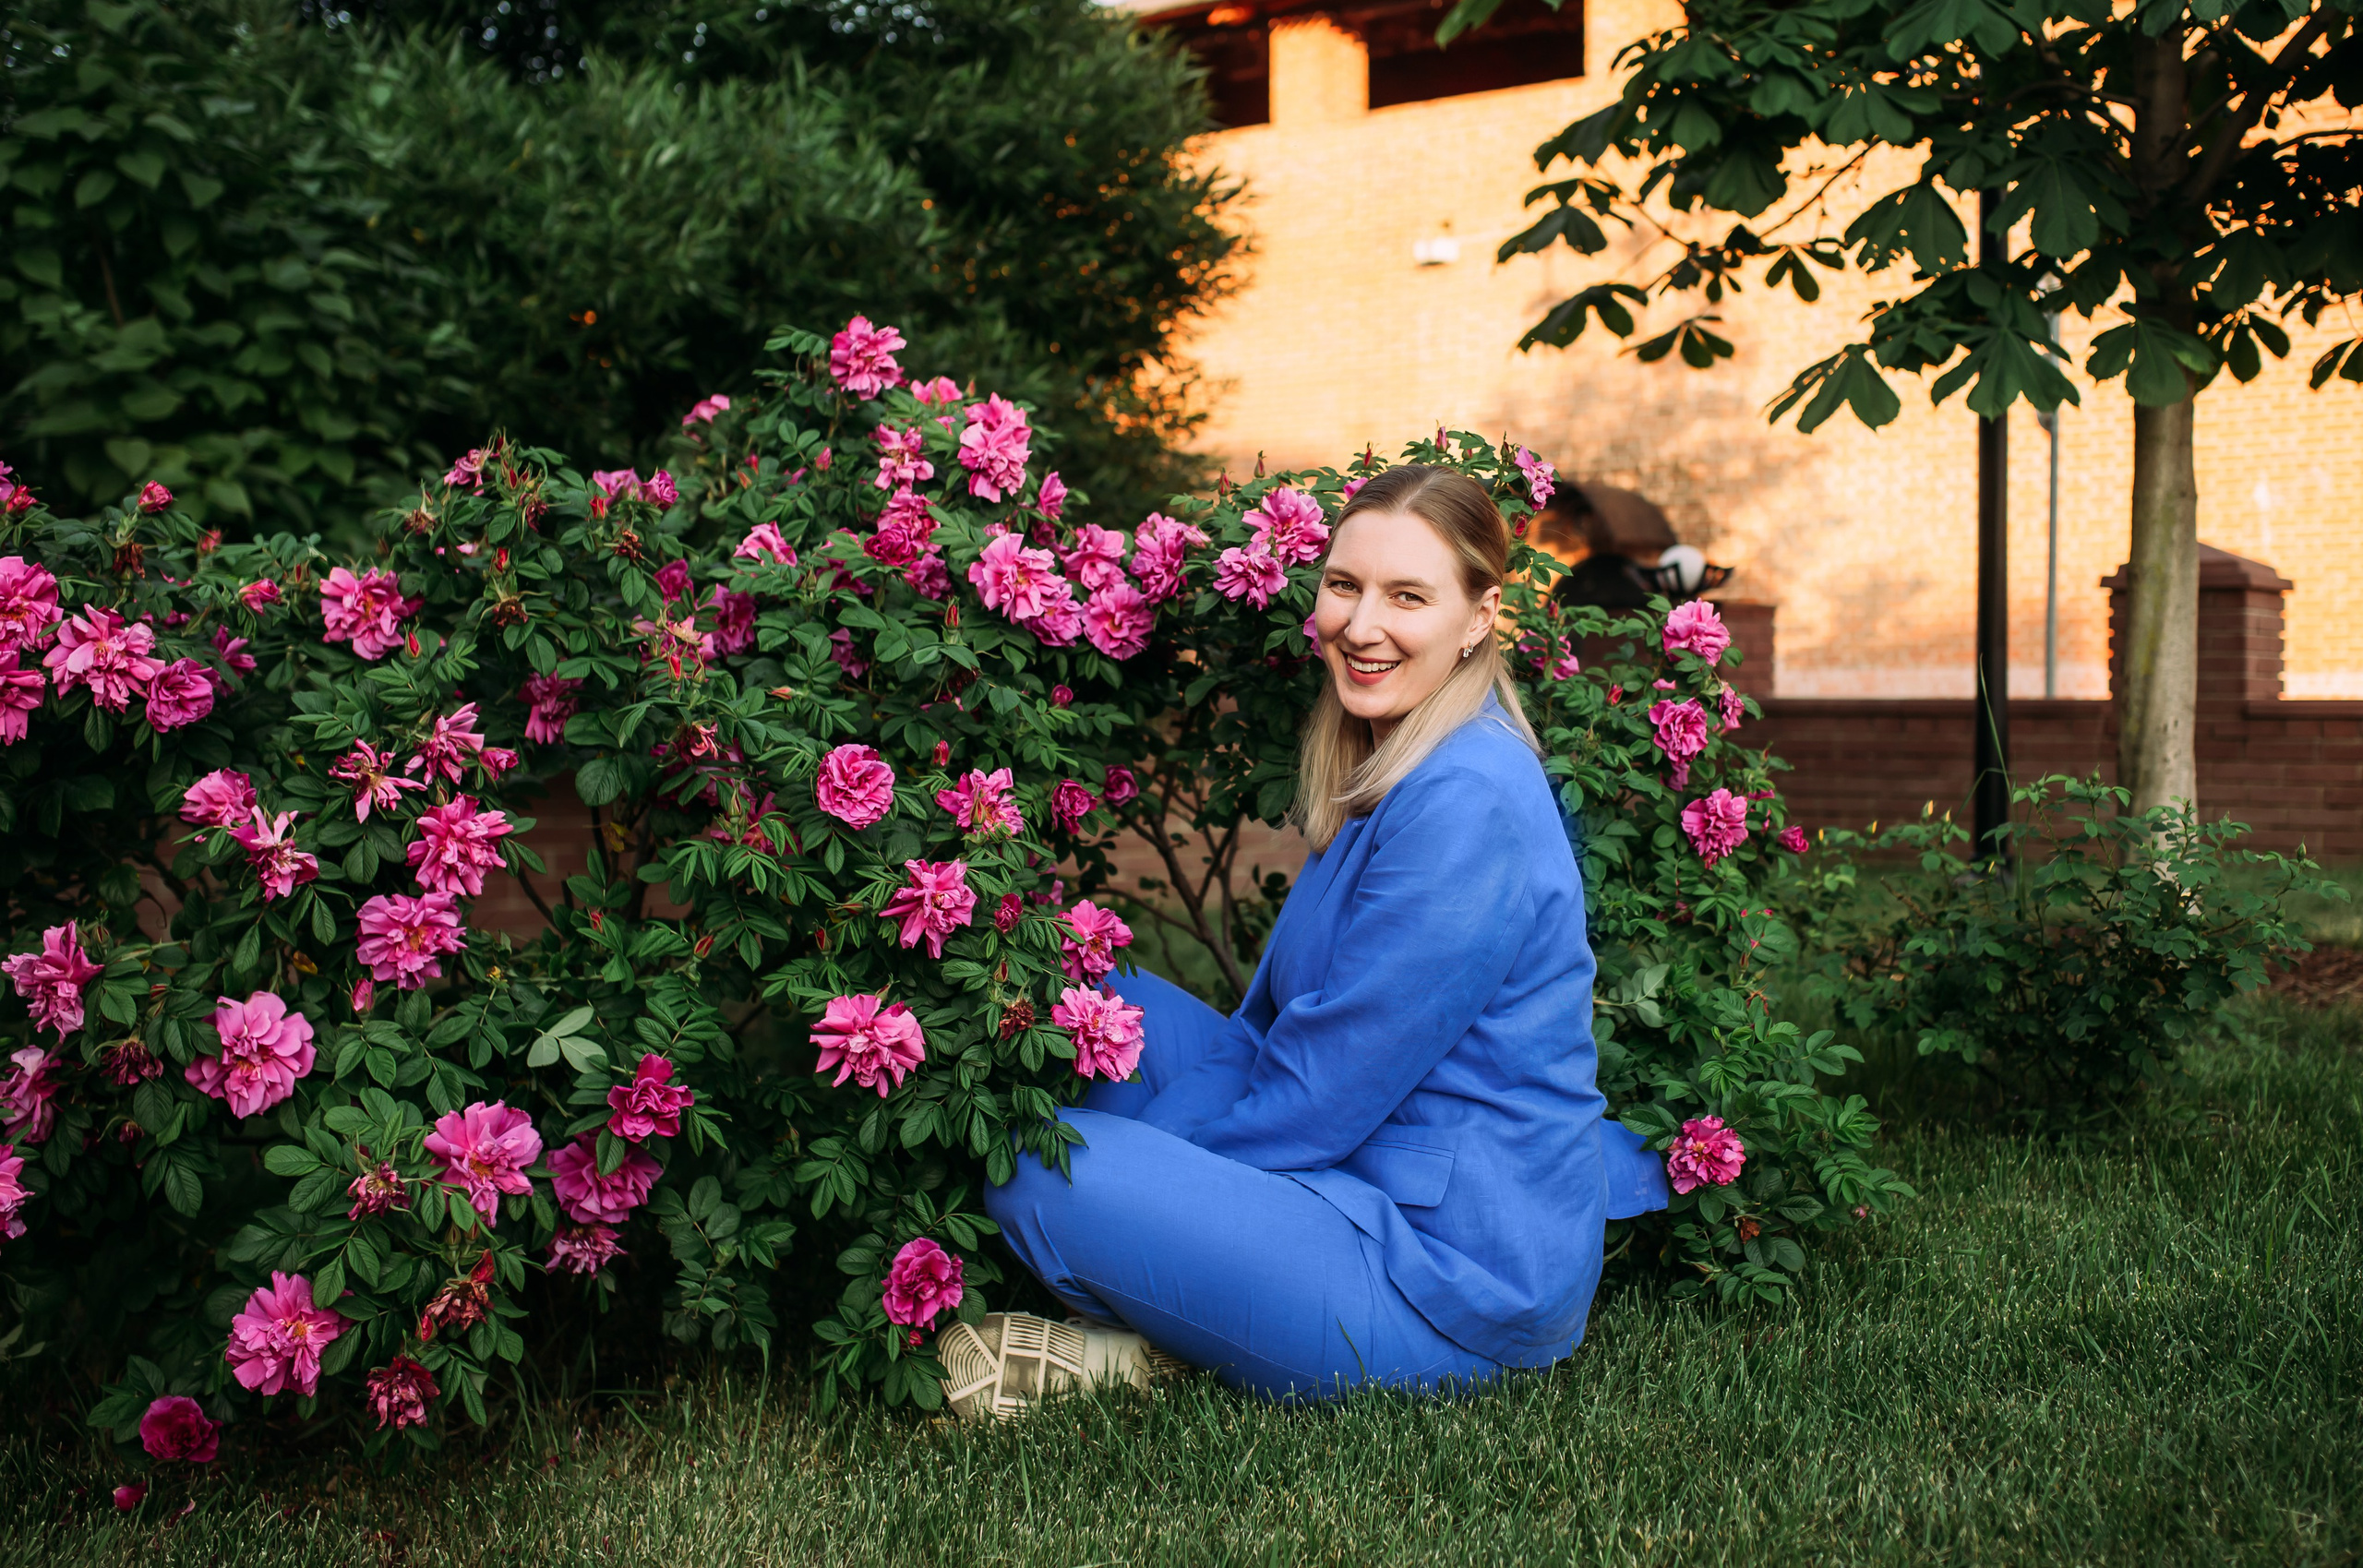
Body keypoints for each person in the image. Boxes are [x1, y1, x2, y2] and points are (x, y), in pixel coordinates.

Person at [957, 465, 1668, 1413]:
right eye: (1344, 585)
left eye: (1407, 596)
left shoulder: (1467, 798)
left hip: (1443, 1273)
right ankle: (1189, 1301)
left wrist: (1157, 1154)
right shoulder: (1399, 754)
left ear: (1478, 615)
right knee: (1085, 998)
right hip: (1357, 1154)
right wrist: (1166, 1154)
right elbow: (1282, 1039)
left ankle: (1159, 1337)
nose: (1361, 625)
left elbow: (1317, 1099)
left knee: (1038, 1163)